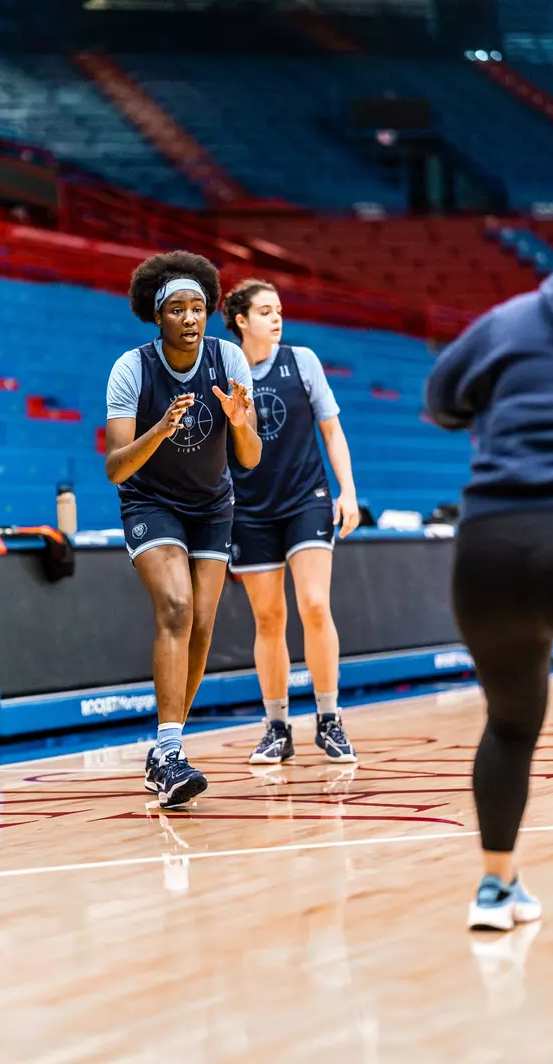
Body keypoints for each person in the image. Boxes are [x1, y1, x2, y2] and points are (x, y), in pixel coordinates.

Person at [425, 269, 553, 930]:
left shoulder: (506, 322)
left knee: (509, 724)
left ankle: (496, 888)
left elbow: (442, 402)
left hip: (490, 545)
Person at [105, 252, 262, 807]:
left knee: (201, 627)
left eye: (199, 307)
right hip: (150, 501)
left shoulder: (231, 359)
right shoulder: (131, 368)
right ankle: (171, 753)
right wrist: (160, 430)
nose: (191, 318)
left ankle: (162, 751)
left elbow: (250, 458)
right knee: (175, 609)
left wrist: (241, 423)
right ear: (157, 315)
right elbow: (116, 467)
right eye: (178, 309)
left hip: (212, 505)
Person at [221, 279, 360, 765]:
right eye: (265, 311)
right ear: (241, 320)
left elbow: (332, 429)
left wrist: (348, 491)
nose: (277, 318)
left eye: (279, 309)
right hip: (250, 510)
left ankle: (329, 719)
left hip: (307, 499)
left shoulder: (302, 361)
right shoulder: (221, 369)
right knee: (268, 619)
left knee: (315, 605)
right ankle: (276, 727)